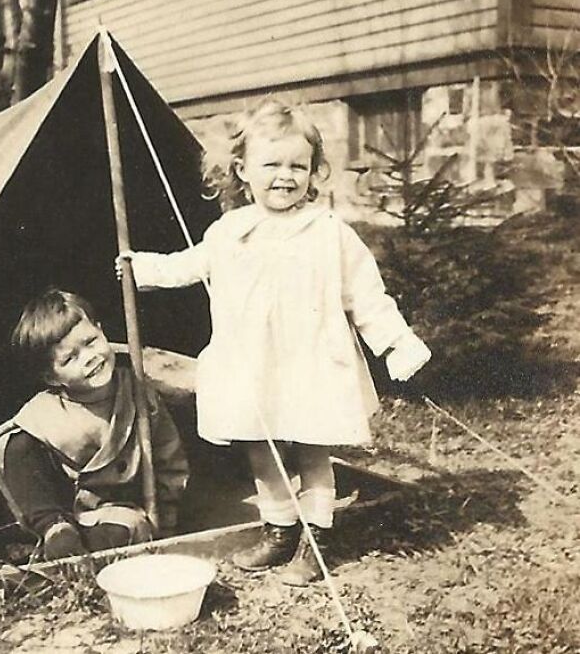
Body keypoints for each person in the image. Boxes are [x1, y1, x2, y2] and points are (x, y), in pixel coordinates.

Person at [117, 97, 431, 587]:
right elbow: (189, 265)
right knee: (259, 446)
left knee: (311, 449)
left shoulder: (328, 232)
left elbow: (365, 293)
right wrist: (144, 269)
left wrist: (395, 342)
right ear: (242, 170)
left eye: (297, 166)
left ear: (313, 171)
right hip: (253, 363)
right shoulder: (230, 231)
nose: (284, 176)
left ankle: (318, 537)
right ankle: (280, 528)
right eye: (271, 164)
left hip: (310, 361)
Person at [0, 289, 188, 572]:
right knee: (14, 445)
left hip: (110, 510)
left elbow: (170, 462)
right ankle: (54, 532)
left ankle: (64, 555)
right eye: (69, 359)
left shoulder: (138, 395)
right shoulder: (44, 411)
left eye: (91, 342)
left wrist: (167, 527)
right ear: (51, 376)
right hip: (52, 510)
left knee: (127, 529)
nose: (89, 358)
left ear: (101, 330)